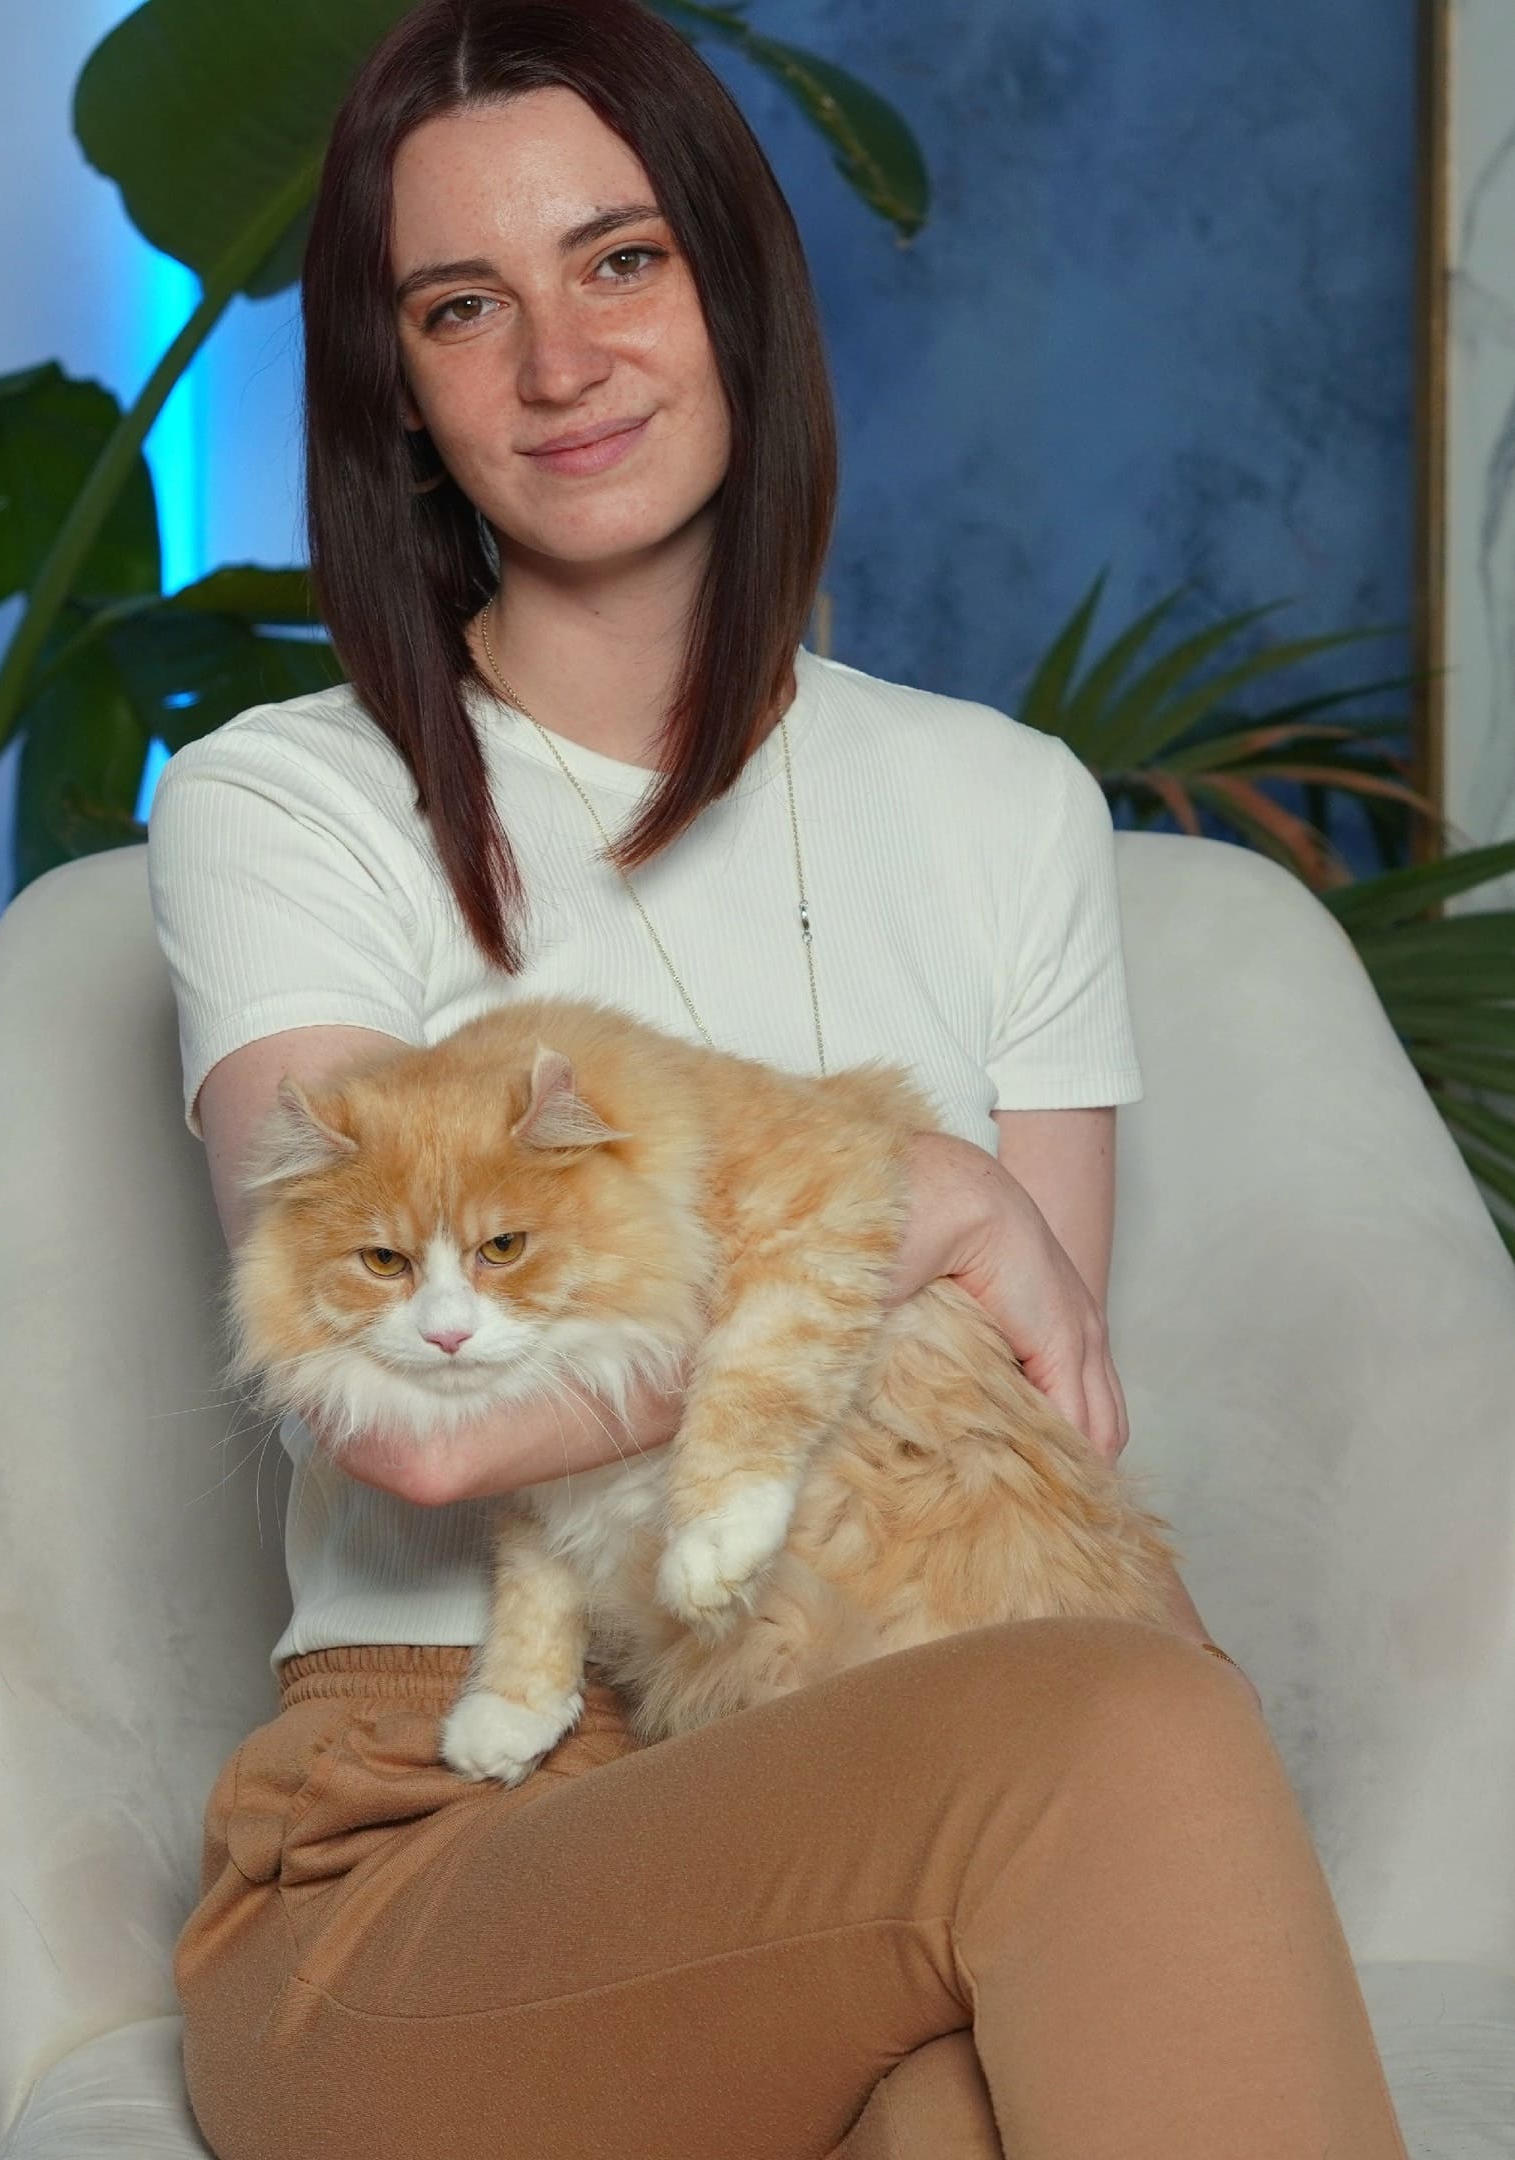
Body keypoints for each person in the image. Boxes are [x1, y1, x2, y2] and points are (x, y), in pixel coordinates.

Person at [148, 2, 1411, 2154]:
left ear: (734, 290)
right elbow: (416, 1425)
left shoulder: (1006, 808)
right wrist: (906, 1202)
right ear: (400, 395)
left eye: (619, 260)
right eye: (463, 307)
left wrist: (1203, 1821)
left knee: (1030, 1961)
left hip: (882, 1749)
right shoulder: (286, 804)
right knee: (1107, 1744)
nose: (558, 361)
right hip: (448, 1827)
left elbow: (1021, 1456)